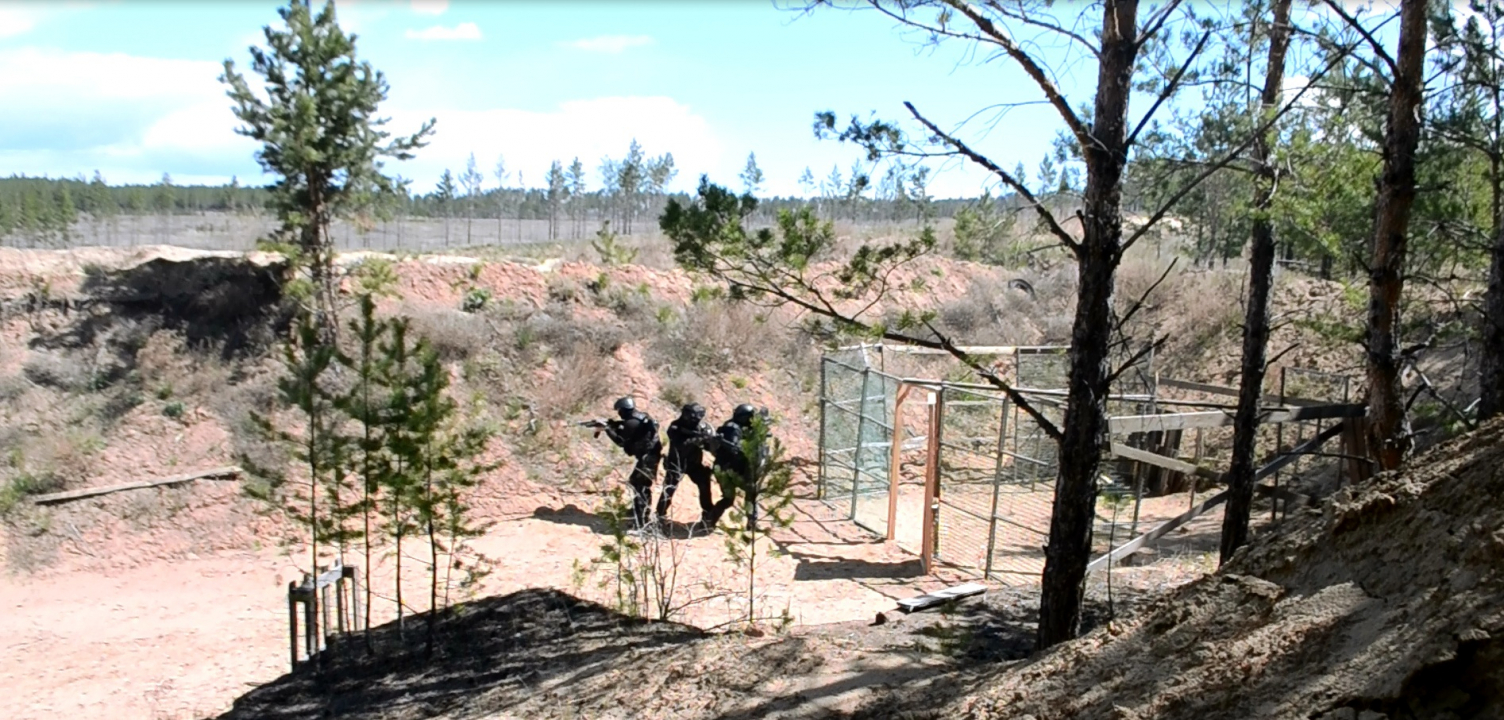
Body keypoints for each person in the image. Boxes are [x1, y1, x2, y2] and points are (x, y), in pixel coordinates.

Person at [597, 396, 662, 530]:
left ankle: (642, 520)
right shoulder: (640, 416)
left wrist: (608, 429)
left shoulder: (630, 422)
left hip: (648, 457)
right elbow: (631, 433)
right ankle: (638, 511)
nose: (619, 413)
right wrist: (613, 425)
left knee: (641, 486)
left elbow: (621, 441)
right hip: (651, 455)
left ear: (623, 410)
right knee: (636, 481)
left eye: (619, 410)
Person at [700, 403, 767, 529]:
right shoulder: (733, 429)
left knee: (729, 499)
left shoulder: (732, 426)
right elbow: (734, 448)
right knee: (749, 493)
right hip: (732, 470)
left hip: (725, 469)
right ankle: (751, 523)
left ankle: (709, 521)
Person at [658, 402, 717, 527]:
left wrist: (709, 441)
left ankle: (708, 515)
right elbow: (680, 445)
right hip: (676, 463)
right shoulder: (675, 427)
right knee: (668, 490)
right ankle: (660, 515)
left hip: (694, 464)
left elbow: (709, 447)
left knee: (704, 485)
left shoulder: (700, 428)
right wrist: (697, 439)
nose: (696, 420)